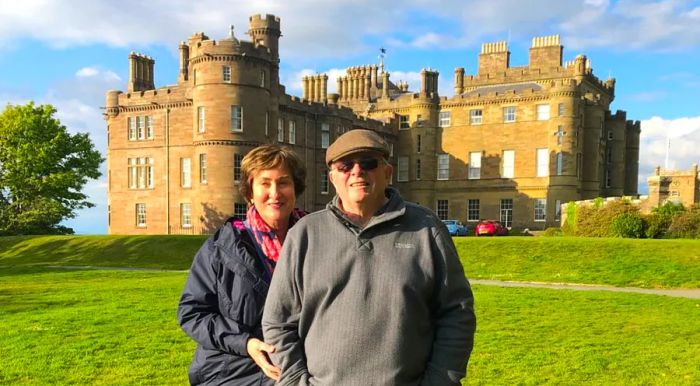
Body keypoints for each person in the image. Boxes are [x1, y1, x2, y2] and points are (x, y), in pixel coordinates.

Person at [262, 129, 476, 385]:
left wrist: (440, 380)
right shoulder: (304, 234)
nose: (357, 172)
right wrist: (296, 381)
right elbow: (278, 322)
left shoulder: (427, 228)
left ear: (387, 172)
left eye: (368, 163)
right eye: (345, 165)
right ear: (332, 177)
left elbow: (456, 312)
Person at [178, 144, 307, 385]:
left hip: (299, 370)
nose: (275, 193)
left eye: (284, 183)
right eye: (265, 183)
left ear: (295, 188)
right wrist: (245, 343)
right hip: (233, 372)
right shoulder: (221, 247)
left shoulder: (315, 239)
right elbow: (192, 313)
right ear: (249, 192)